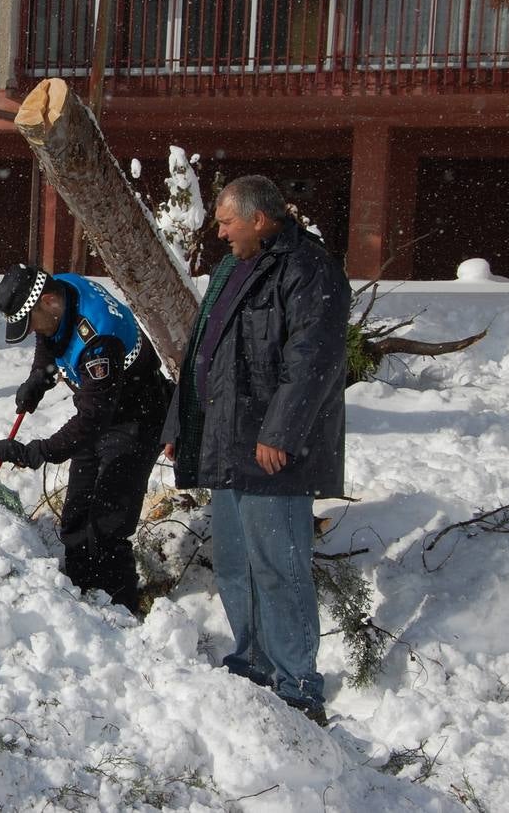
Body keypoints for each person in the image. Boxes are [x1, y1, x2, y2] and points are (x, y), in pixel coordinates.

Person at [160, 174, 349, 726]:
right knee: (237, 564)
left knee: (279, 568)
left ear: (259, 219)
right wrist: (181, 422)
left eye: (225, 221)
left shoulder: (307, 269)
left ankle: (298, 684)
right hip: (229, 441)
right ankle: (253, 660)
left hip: (273, 452)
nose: (218, 233)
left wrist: (280, 433)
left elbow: (313, 360)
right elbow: (200, 351)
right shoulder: (231, 269)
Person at [0, 263, 169, 614]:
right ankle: (80, 597)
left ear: (50, 302)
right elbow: (48, 336)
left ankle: (121, 610)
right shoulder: (64, 288)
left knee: (108, 524)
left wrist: (35, 452)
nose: (32, 332)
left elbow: (91, 421)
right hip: (101, 410)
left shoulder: (99, 340)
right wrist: (41, 374)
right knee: (75, 516)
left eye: (32, 322)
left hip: (135, 418)